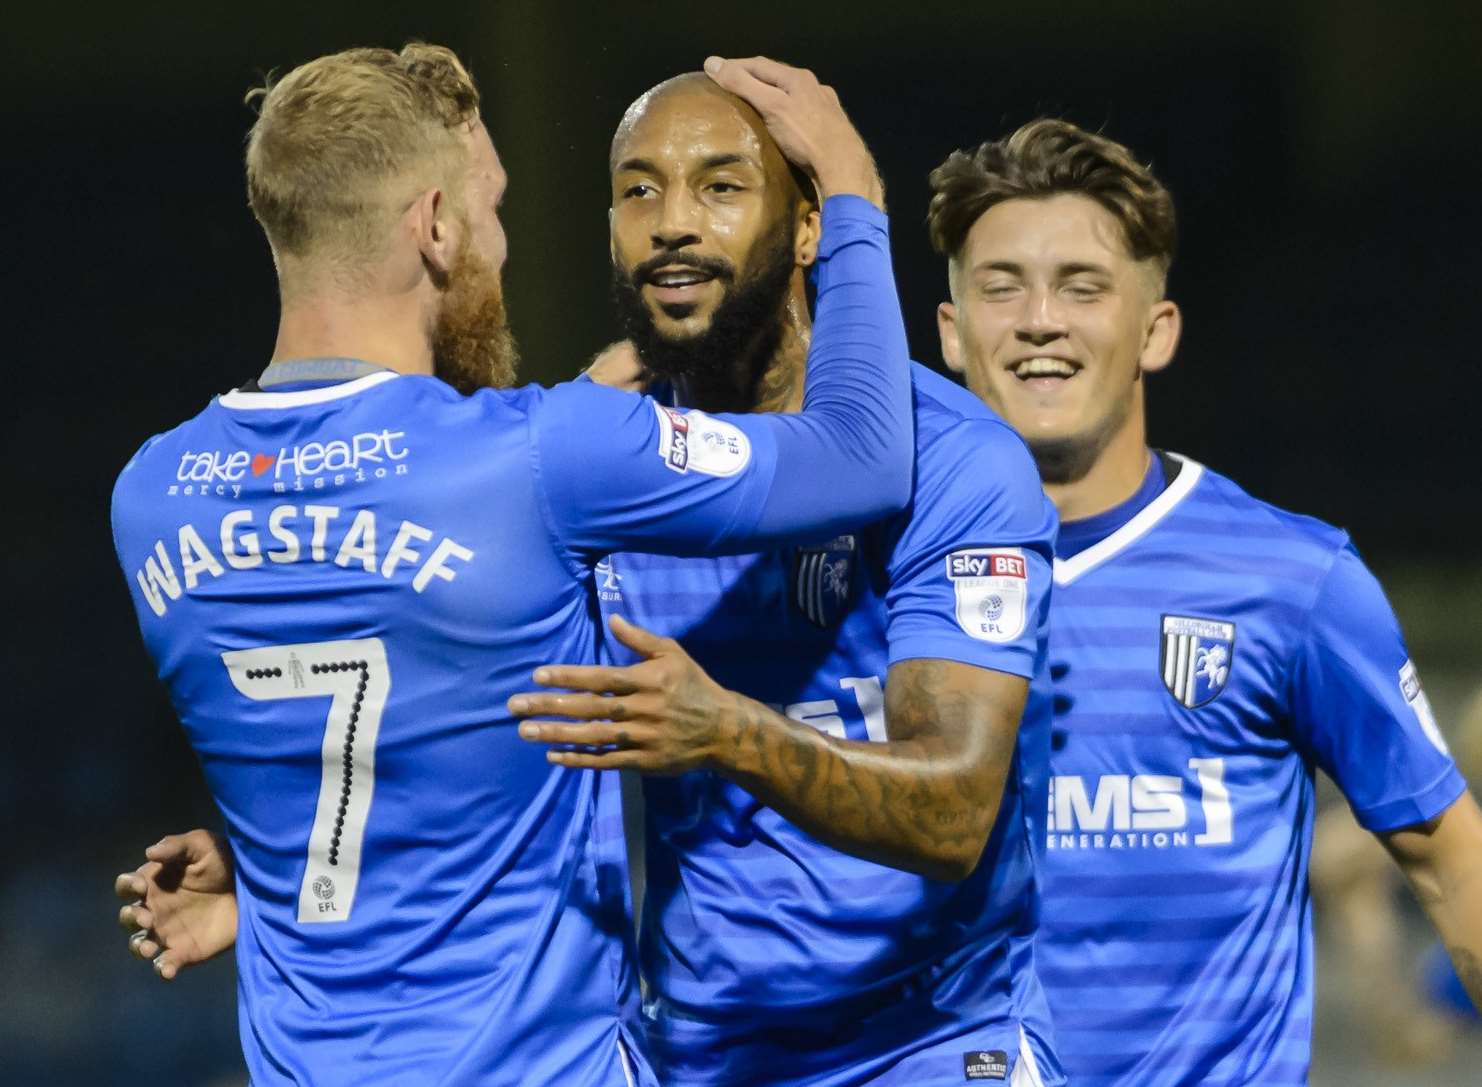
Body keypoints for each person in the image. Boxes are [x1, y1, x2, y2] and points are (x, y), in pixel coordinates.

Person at [116, 70, 1065, 1087]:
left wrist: (734, 729)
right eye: (638, 190)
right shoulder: (567, 465)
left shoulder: (953, 461)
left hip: (911, 1051)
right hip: (683, 1057)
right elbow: (450, 741)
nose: (669, 223)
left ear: (805, 228)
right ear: (436, 227)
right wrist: (274, 888)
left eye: (720, 186)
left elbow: (957, 813)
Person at [925, 117, 1482, 1085]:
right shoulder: (881, 579)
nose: (1040, 319)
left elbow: (1452, 866)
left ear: (1157, 330)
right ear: (951, 332)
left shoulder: (1291, 580)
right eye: (1001, 286)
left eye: (1083, 287)